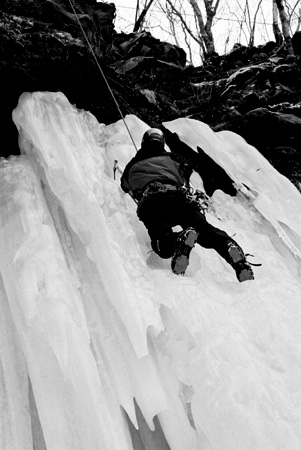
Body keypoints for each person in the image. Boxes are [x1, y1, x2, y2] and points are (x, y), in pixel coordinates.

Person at [120, 128, 254, 282]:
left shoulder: (133, 164)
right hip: (180, 200)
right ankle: (235, 257)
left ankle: (180, 241)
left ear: (144, 142)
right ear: (162, 142)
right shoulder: (173, 158)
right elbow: (186, 170)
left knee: (163, 244)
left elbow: (125, 185)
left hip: (153, 203)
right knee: (206, 232)